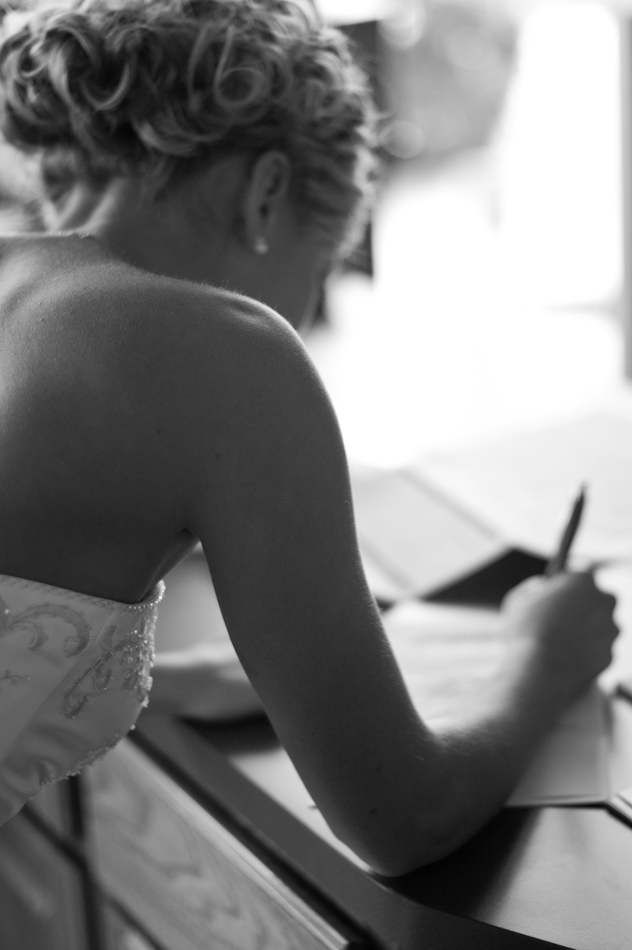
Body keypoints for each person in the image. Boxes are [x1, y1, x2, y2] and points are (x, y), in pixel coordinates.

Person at [0, 0, 619, 874]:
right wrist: (543, 660)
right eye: (319, 264)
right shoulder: (226, 350)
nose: (301, 308)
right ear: (267, 193)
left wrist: (174, 681)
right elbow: (403, 819)